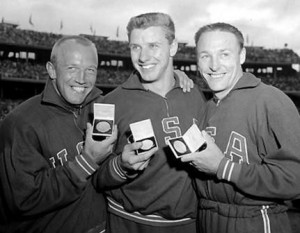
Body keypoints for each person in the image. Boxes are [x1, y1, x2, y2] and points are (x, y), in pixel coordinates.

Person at [92, 12, 206, 233]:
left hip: (186, 224)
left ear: (172, 48)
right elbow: (94, 177)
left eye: (153, 45)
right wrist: (121, 166)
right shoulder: (111, 103)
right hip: (128, 223)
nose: (143, 57)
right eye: (135, 47)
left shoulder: (194, 94)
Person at [181, 22, 300, 233]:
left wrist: (223, 167)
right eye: (205, 55)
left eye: (224, 54)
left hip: (255, 220)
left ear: (242, 55)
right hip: (207, 217)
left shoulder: (271, 100)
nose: (214, 65)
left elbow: (295, 179)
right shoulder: (205, 107)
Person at [0, 35, 118, 233]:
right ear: (52, 70)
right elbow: (23, 200)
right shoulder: (19, 124)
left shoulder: (101, 108)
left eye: (90, 70)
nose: (82, 78)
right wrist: (86, 162)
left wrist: (123, 165)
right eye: (72, 68)